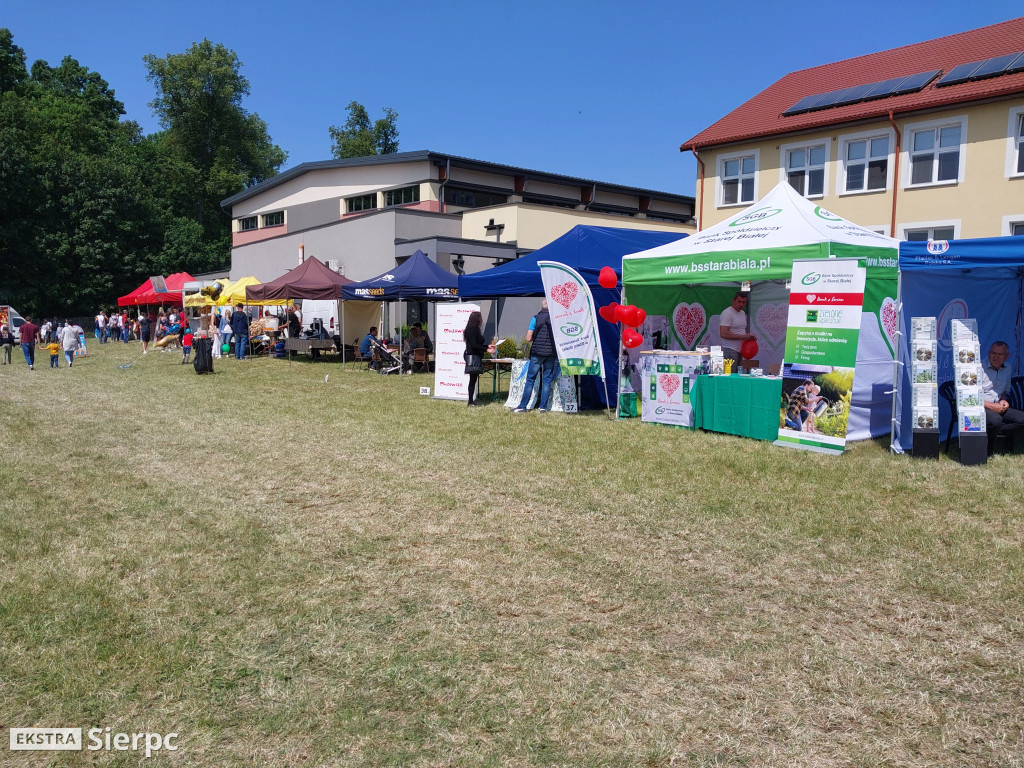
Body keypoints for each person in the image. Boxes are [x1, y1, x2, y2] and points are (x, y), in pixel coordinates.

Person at [513, 300, 558, 413]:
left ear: (541, 307)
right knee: (547, 380)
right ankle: (543, 407)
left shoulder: (535, 318)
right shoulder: (555, 319)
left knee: (530, 380)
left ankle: (523, 406)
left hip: (537, 353)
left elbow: (528, 338)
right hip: (551, 353)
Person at [981, 340, 1024, 453]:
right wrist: (991, 406)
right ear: (989, 353)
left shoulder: (1008, 368)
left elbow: (1004, 391)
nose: (995, 357)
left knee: (1022, 419)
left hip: (998, 405)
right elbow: (968, 396)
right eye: (993, 353)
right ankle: (988, 450)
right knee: (995, 420)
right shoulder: (979, 368)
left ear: (1007, 356)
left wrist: (1004, 400)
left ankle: (993, 434)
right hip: (980, 405)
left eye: (1000, 354)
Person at [463, 311, 494, 406]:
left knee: (473, 379)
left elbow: (477, 343)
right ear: (477, 319)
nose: (481, 320)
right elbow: (474, 345)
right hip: (473, 356)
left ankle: (471, 400)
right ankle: (470, 401)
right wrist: (486, 350)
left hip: (475, 355)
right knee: (473, 379)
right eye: (480, 318)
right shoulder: (473, 330)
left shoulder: (472, 329)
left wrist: (487, 346)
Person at [719, 292, 756, 366]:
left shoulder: (742, 313)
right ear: (733, 300)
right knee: (730, 375)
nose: (741, 304)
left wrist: (749, 337)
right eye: (739, 301)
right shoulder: (727, 313)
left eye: (743, 302)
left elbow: (741, 330)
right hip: (729, 349)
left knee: (737, 374)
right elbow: (723, 333)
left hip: (740, 349)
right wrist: (743, 337)